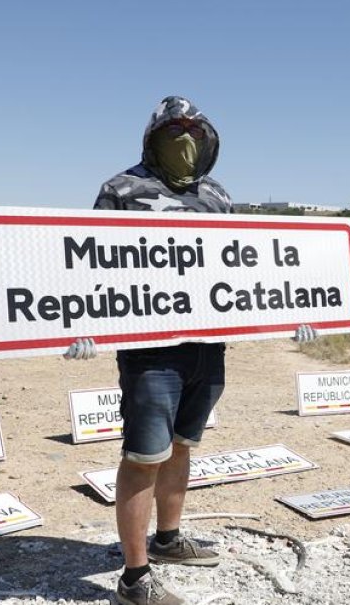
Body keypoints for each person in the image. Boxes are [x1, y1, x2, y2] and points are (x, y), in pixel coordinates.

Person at [65, 96, 316, 605]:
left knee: (182, 445)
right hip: (150, 352)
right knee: (144, 457)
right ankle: (135, 580)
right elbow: (89, 262)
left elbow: (245, 265)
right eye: (173, 129)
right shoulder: (121, 189)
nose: (184, 138)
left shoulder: (217, 194)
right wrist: (80, 324)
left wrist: (298, 310)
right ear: (153, 135)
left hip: (207, 346)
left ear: (208, 138)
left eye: (194, 130)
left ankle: (168, 540)